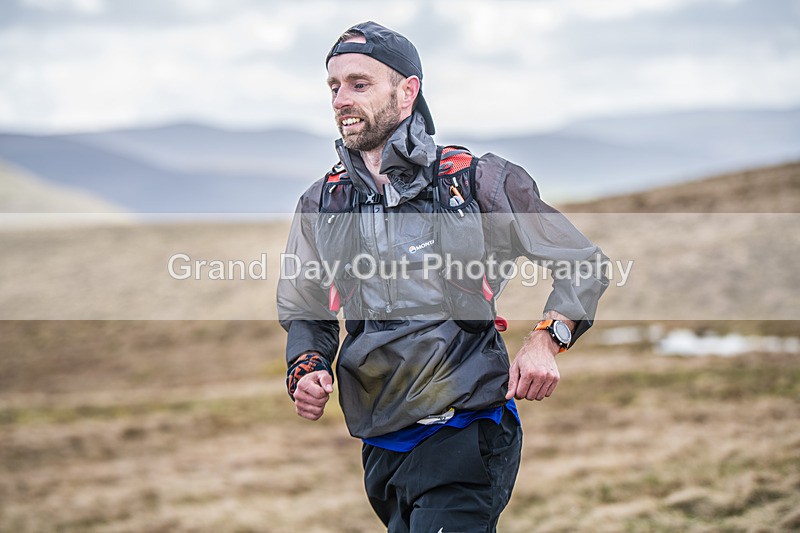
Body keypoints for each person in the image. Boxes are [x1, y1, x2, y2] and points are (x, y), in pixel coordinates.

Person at [277, 21, 608, 532]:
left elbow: (583, 264)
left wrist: (548, 338)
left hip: (468, 430)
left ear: (407, 91)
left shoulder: (476, 181)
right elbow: (306, 308)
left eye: (360, 84)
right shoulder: (324, 202)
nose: (341, 99)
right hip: (382, 442)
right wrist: (306, 366)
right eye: (334, 86)